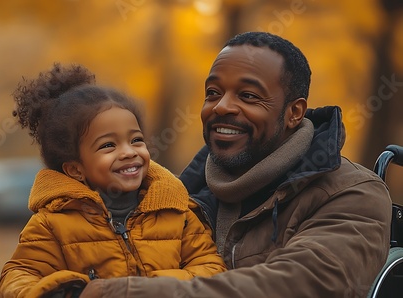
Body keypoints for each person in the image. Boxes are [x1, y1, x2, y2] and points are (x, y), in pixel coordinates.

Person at [78, 31, 393, 297]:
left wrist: (125, 292)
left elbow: (299, 284)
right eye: (213, 92)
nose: (222, 106)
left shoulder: (353, 194)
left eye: (249, 95)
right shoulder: (173, 195)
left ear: (294, 113)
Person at [0, 63, 227, 297]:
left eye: (136, 140)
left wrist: (149, 288)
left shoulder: (176, 212)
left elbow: (212, 268)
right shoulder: (52, 223)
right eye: (108, 145)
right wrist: (73, 290)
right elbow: (18, 276)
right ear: (76, 169)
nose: (129, 152)